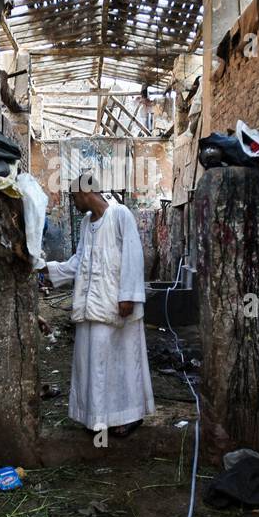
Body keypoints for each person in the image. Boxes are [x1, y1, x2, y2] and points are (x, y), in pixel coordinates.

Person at [43, 171, 154, 438]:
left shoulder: (120, 215)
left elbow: (133, 255)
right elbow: (78, 261)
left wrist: (127, 295)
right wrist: (47, 269)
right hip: (91, 305)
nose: (74, 204)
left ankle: (130, 415)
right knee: (92, 362)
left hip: (117, 304)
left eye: (73, 197)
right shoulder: (85, 224)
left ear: (84, 193)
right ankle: (98, 418)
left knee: (122, 362)